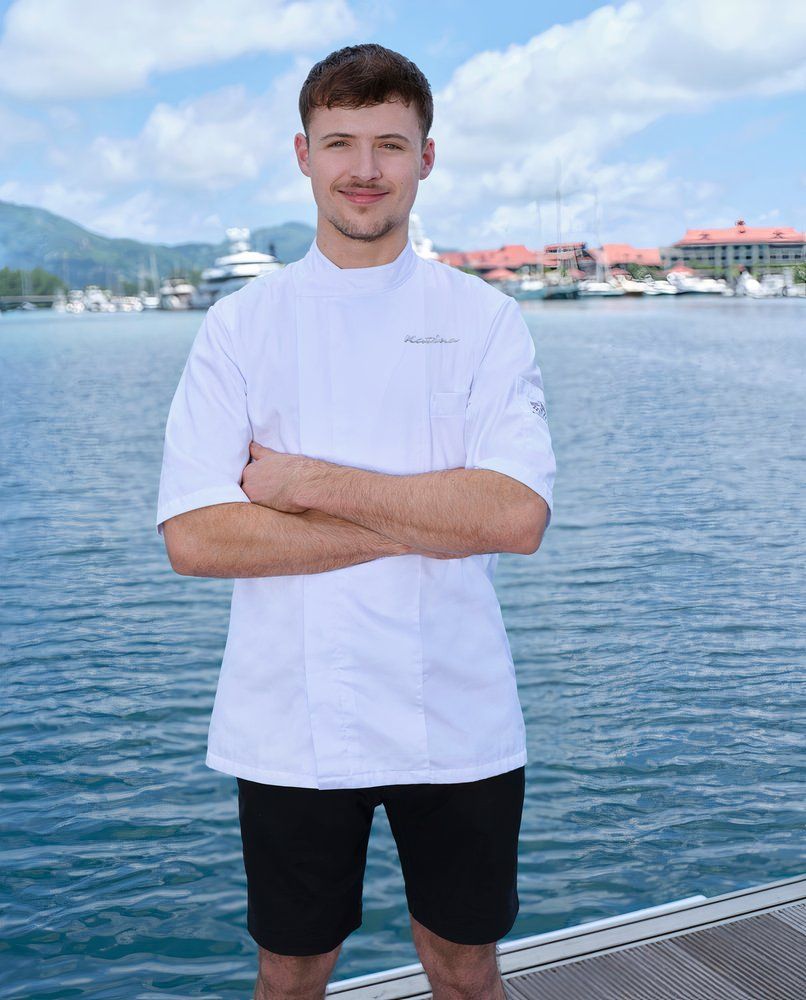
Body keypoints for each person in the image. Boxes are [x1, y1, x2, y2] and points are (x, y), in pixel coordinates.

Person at [155, 42, 555, 1000]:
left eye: (391, 143)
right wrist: (430, 518)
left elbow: (516, 514)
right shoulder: (241, 325)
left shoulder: (485, 319)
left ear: (427, 156)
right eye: (341, 142)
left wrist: (301, 481)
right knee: (291, 973)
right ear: (303, 155)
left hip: (455, 711)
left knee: (465, 968)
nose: (365, 169)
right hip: (292, 717)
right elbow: (197, 538)